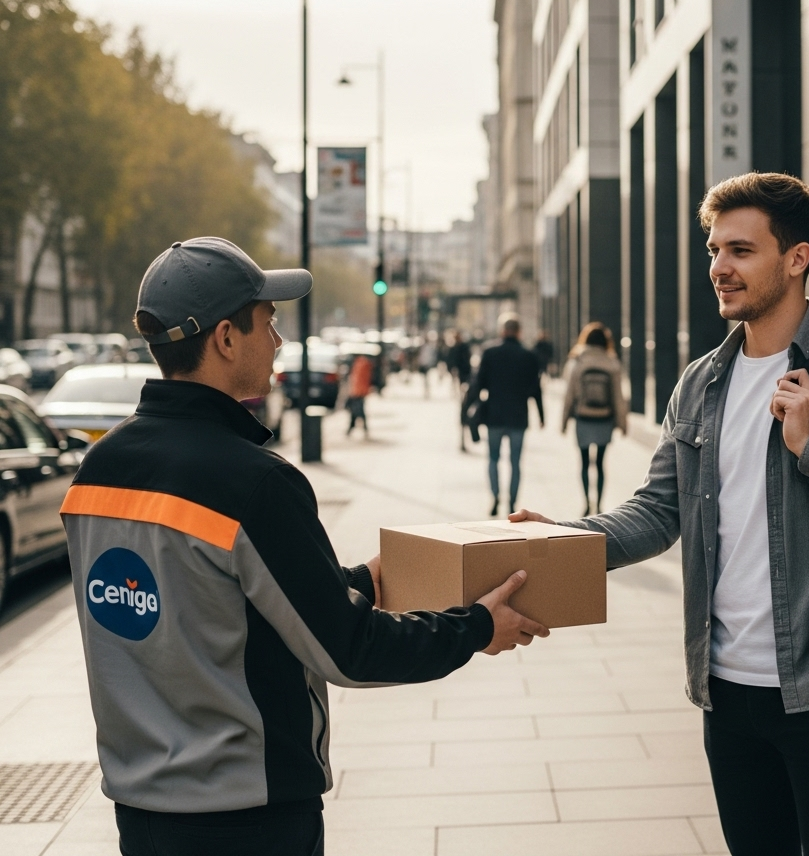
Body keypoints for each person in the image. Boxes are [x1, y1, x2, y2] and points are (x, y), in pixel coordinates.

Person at [59, 237, 549, 856]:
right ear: (226, 338)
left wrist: (360, 581)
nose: (279, 341)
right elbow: (347, 652)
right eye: (268, 322)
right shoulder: (253, 482)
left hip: (141, 814)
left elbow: (210, 602)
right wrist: (477, 627)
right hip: (248, 818)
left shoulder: (97, 469)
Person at [512, 174, 809, 855]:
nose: (719, 267)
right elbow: (657, 512)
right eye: (715, 248)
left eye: (742, 250)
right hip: (725, 691)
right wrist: (557, 538)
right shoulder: (701, 382)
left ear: (797, 258)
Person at [464, 312, 544, 517]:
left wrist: (468, 407)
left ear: (502, 331)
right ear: (519, 332)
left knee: (493, 458)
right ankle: (512, 503)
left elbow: (478, 383)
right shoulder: (529, 356)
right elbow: (536, 389)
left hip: (494, 415)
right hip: (518, 416)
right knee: (516, 462)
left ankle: (495, 497)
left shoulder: (489, 353)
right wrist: (542, 415)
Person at [561, 322, 628, 516]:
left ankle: (586, 502)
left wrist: (564, 420)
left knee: (583, 462)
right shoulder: (611, 362)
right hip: (604, 419)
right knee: (599, 463)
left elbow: (569, 394)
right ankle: (598, 503)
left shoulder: (577, 361)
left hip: (583, 417)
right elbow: (618, 396)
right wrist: (622, 423)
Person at [447, 331, 473, 451]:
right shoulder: (457, 348)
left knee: (464, 407)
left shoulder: (460, 348)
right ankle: (463, 438)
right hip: (461, 379)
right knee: (463, 407)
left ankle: (464, 437)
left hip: (464, 379)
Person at [345, 351, 373, 437]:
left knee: (358, 410)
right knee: (357, 410)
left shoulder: (361, 364)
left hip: (358, 391)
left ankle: (354, 428)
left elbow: (358, 379)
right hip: (359, 391)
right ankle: (353, 428)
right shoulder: (361, 363)